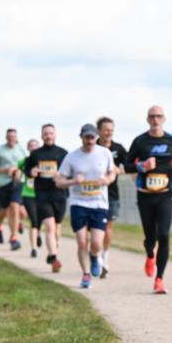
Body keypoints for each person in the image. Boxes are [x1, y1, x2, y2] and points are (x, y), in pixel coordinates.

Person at [124, 106, 172, 294]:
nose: (155, 119)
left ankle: (159, 279)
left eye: (159, 116)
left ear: (164, 119)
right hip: (145, 195)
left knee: (164, 235)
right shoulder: (140, 141)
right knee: (150, 237)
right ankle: (150, 254)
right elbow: (127, 166)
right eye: (152, 116)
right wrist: (142, 166)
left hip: (165, 194)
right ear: (147, 119)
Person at [56, 124, 117, 289]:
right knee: (82, 241)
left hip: (99, 203)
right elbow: (59, 181)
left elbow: (112, 172)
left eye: (92, 137)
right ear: (81, 137)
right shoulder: (72, 157)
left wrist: (107, 180)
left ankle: (95, 256)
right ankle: (86, 274)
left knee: (96, 242)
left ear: (96, 137)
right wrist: (73, 181)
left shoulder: (104, 153)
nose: (89, 141)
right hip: (79, 203)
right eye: (86, 137)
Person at [24, 124, 69, 272]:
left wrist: (61, 175)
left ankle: (53, 252)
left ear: (55, 135)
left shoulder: (63, 153)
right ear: (42, 136)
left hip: (59, 195)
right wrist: (32, 172)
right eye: (45, 134)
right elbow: (27, 170)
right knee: (49, 226)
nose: (48, 136)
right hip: (42, 195)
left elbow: (70, 172)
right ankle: (54, 257)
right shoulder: (36, 154)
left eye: (51, 133)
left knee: (56, 229)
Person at [96, 116, 128, 279]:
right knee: (95, 228)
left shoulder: (118, 149)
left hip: (112, 194)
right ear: (99, 131)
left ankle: (104, 258)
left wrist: (118, 170)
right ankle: (95, 256)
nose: (109, 133)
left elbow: (129, 166)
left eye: (111, 130)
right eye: (106, 130)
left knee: (108, 227)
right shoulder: (92, 147)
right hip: (93, 194)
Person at [0, 128, 26, 250]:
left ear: (16, 138)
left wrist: (18, 170)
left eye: (13, 137)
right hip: (2, 184)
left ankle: (14, 238)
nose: (11, 139)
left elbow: (25, 165)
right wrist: (5, 170)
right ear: (6, 138)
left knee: (15, 207)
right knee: (5, 210)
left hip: (17, 182)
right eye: (9, 137)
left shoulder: (21, 150)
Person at [19, 139, 43, 257]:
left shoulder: (44, 161)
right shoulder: (24, 161)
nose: (33, 148)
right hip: (28, 194)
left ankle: (38, 234)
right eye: (31, 146)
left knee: (39, 220)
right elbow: (17, 170)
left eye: (35, 146)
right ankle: (33, 248)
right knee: (34, 220)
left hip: (42, 195)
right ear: (28, 148)